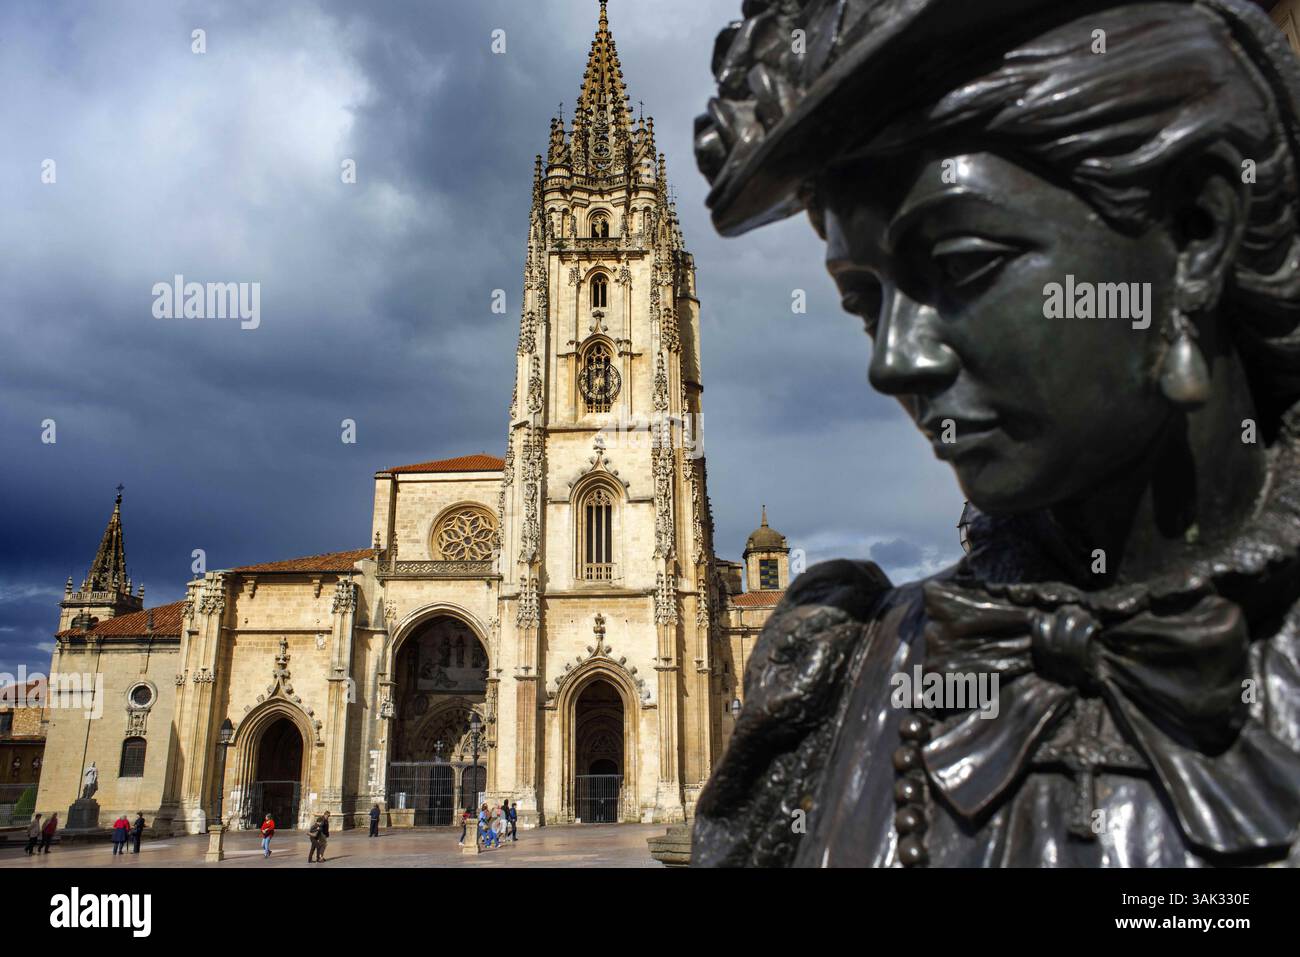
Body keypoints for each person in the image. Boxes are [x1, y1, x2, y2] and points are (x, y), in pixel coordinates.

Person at [690, 0, 1300, 868]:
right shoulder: (833, 684)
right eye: (864, 303)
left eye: (961, 263)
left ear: (1197, 233)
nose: (891, 364)